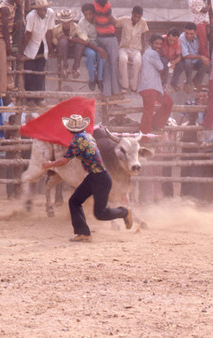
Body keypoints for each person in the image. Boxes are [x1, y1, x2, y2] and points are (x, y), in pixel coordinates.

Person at [42, 114, 132, 242]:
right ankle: (83, 233)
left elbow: (64, 161)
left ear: (70, 129)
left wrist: (50, 164)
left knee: (100, 213)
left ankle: (124, 212)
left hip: (98, 178)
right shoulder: (89, 136)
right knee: (75, 201)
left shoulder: (77, 140)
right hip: (97, 176)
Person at [21, 0, 55, 107]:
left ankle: (40, 98)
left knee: (40, 72)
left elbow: (49, 32)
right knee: (29, 72)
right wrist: (21, 51)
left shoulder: (51, 13)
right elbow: (28, 34)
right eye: (41, 10)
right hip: (31, 46)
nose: (43, 12)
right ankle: (30, 99)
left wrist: (50, 48)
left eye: (45, 10)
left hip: (43, 45)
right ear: (36, 9)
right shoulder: (31, 16)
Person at [137, 34, 173, 134]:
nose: (159, 46)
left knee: (168, 103)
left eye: (161, 44)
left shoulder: (151, 52)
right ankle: (144, 137)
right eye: (156, 43)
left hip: (155, 87)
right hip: (149, 86)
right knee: (148, 111)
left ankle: (156, 123)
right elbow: (161, 67)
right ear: (151, 43)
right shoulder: (152, 53)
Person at [116, 5, 149, 93]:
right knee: (123, 59)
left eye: (139, 17)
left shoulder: (143, 22)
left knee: (138, 62)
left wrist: (144, 49)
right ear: (132, 14)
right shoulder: (125, 20)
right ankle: (125, 85)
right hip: (124, 48)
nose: (136, 19)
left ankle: (134, 86)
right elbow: (114, 22)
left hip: (136, 50)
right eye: (135, 16)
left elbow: (144, 36)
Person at [0, 0, 22, 94]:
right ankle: (1, 89)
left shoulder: (12, 5)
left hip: (6, 36)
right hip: (0, 36)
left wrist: (14, 26)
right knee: (2, 62)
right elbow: (4, 28)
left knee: (8, 61)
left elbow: (7, 25)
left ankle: (9, 84)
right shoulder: (5, 8)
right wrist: (8, 45)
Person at [78, 3, 107, 91]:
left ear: (94, 13)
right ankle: (92, 79)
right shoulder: (81, 23)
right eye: (86, 14)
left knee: (102, 56)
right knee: (91, 55)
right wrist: (98, 49)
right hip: (88, 45)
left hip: (98, 44)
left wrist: (100, 48)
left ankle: (99, 79)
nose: (88, 16)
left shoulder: (97, 20)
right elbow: (85, 41)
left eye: (90, 14)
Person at [94, 0, 120, 97]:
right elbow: (113, 20)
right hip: (110, 37)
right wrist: (116, 20)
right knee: (113, 64)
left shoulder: (95, 5)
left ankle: (107, 92)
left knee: (106, 66)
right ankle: (116, 91)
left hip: (99, 38)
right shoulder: (106, 5)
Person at [52, 9, 87, 79]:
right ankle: (65, 66)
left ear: (71, 21)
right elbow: (54, 42)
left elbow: (84, 40)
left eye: (68, 22)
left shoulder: (76, 27)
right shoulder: (56, 29)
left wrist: (69, 38)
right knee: (63, 41)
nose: (66, 24)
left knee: (80, 44)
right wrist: (62, 40)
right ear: (61, 21)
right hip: (62, 49)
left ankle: (76, 67)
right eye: (64, 22)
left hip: (73, 48)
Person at [178, 22, 209, 93]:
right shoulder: (182, 38)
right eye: (187, 33)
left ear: (196, 32)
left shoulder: (199, 37)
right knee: (188, 62)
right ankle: (188, 82)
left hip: (197, 60)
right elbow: (185, 55)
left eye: (191, 33)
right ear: (184, 31)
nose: (189, 36)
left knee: (208, 63)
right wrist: (201, 57)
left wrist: (203, 58)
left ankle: (197, 80)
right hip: (186, 61)